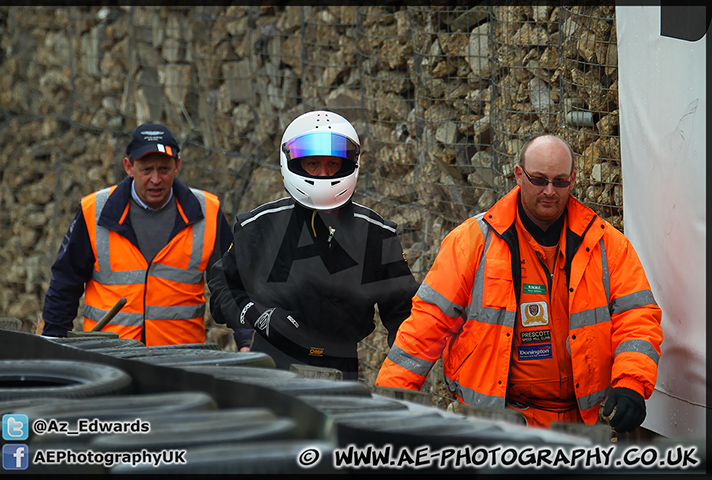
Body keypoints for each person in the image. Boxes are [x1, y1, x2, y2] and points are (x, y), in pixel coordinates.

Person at [375, 134, 663, 432]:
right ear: (518, 175)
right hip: (496, 427)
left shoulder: (606, 244)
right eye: (538, 179)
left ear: (573, 179)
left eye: (560, 181)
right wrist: (386, 406)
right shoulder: (471, 243)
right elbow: (425, 327)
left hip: (581, 428)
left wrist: (631, 382)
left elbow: (638, 317)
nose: (549, 191)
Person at [208, 110, 419, 379]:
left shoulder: (375, 233)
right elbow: (222, 286)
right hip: (272, 364)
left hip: (341, 369)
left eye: (333, 164)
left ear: (349, 165)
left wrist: (400, 375)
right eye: (313, 164)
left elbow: (405, 313)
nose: (324, 174)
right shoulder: (260, 225)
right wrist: (257, 315)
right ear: (293, 164)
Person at [39, 123, 252, 348]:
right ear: (129, 167)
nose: (156, 179)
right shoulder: (95, 210)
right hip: (108, 355)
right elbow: (65, 282)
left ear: (177, 166)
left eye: (164, 169)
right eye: (146, 170)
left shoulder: (207, 211)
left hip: (182, 360)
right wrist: (53, 340)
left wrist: (246, 338)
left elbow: (233, 283)